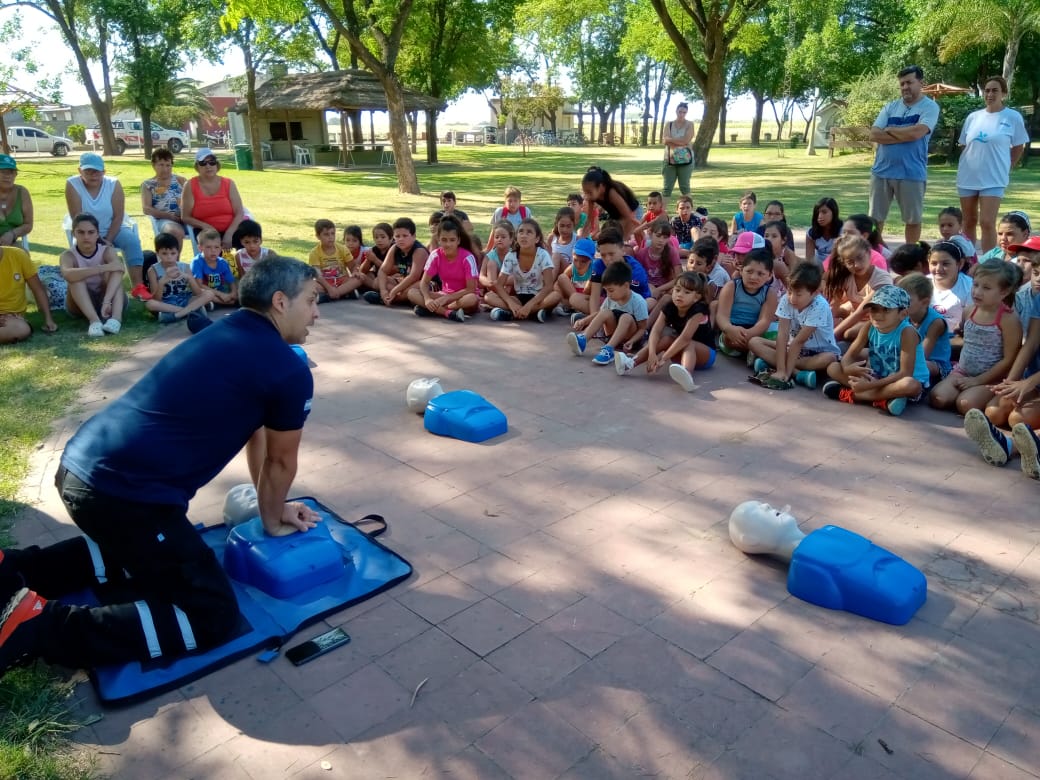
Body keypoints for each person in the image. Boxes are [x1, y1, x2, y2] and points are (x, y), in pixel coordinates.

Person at [0, 257, 322, 677]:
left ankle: (15, 569)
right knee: (212, 615)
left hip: (81, 470)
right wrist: (273, 519)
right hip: (124, 496)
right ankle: (39, 627)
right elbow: (281, 461)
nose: (317, 311)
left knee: (142, 547)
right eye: (312, 300)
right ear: (280, 301)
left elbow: (257, 434)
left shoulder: (224, 329)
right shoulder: (287, 370)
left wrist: (272, 510)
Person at [929, 259, 1022, 415]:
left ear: (1004, 292)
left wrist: (978, 381)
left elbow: (1009, 359)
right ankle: (963, 394)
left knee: (965, 404)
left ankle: (979, 396)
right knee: (938, 398)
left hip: (991, 378)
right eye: (976, 285)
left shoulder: (1008, 320)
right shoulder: (969, 311)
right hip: (963, 371)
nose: (977, 292)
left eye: (986, 288)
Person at [823, 285, 930, 416]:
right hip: (878, 377)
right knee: (833, 367)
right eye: (874, 309)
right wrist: (847, 368)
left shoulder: (907, 332)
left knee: (910, 385)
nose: (878, 315)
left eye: (886, 310)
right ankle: (882, 400)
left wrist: (867, 386)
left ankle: (853, 395)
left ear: (903, 314)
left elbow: (905, 373)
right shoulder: (869, 326)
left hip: (903, 379)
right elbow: (849, 356)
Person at [868, 65, 940, 244]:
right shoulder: (890, 107)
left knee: (912, 220)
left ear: (920, 83)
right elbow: (874, 134)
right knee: (874, 220)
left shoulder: (930, 107)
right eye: (902, 84)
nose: (905, 87)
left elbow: (918, 133)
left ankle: (911, 256)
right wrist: (904, 134)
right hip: (881, 172)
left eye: (909, 82)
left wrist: (890, 130)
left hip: (911, 173)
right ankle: (875, 254)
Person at [957, 76, 1029, 252]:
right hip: (968, 176)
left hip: (994, 177)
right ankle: (969, 259)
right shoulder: (973, 117)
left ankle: (989, 263)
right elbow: (964, 145)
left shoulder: (1012, 117)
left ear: (1003, 93)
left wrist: (1008, 164)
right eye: (987, 90)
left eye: (995, 90)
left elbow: (1019, 146)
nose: (990, 94)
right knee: (968, 221)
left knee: (987, 222)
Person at [614, 271, 713, 392]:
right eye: (677, 290)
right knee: (667, 338)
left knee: (689, 343)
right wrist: (652, 354)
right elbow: (655, 330)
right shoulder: (669, 306)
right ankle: (629, 364)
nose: (680, 295)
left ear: (696, 297)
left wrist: (663, 359)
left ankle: (687, 375)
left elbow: (685, 338)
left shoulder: (699, 310)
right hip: (679, 354)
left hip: (705, 355)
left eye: (687, 292)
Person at [748, 262, 839, 389]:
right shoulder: (786, 300)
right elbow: (782, 334)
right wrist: (781, 370)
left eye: (799, 294)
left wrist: (786, 374)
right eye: (790, 291)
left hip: (817, 352)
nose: (792, 298)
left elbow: (799, 341)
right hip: (791, 349)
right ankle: (798, 373)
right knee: (754, 342)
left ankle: (777, 366)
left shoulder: (820, 306)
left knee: (829, 359)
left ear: (815, 293)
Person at [65, 152, 146, 293]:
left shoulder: (113, 184)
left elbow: (118, 216)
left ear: (104, 171)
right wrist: (94, 237)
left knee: (132, 241)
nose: (93, 175)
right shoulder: (72, 184)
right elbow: (77, 218)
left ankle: (138, 286)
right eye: (88, 171)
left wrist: (108, 239)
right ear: (80, 171)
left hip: (113, 228)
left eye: (97, 171)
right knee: (83, 246)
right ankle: (89, 287)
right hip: (86, 230)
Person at [566, 260, 649, 367]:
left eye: (611, 290)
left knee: (626, 317)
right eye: (606, 291)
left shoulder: (638, 301)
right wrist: (584, 320)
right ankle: (583, 340)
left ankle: (609, 350)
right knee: (605, 312)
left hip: (630, 339)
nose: (608, 295)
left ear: (626, 286)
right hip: (613, 333)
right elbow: (599, 314)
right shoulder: (611, 299)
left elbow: (643, 328)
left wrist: (632, 341)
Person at [60, 213, 125, 337]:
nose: (86, 237)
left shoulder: (107, 250)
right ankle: (94, 321)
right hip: (79, 304)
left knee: (113, 274)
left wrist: (106, 301)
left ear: (97, 234)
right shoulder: (67, 255)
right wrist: (101, 268)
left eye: (91, 232)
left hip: (108, 299)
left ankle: (116, 318)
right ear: (74, 234)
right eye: (81, 232)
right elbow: (67, 274)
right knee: (76, 278)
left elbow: (119, 269)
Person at [824, 234, 893, 343]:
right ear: (844, 263)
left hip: (878, 320)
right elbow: (834, 307)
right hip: (856, 316)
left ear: (869, 254)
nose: (856, 265)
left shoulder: (882, 279)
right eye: (850, 262)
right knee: (827, 318)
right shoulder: (846, 276)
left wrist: (830, 337)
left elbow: (860, 312)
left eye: (860, 258)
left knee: (848, 333)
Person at [488, 218, 560, 322]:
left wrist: (530, 305)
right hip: (518, 299)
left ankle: (518, 313)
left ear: (537, 239)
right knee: (489, 297)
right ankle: (530, 313)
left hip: (538, 298)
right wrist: (511, 303)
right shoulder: (511, 256)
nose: (524, 235)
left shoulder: (543, 255)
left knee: (556, 295)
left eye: (529, 232)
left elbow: (549, 286)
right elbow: (499, 285)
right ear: (516, 237)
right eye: (521, 231)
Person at [181, 148, 250, 252]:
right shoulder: (190, 185)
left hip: (231, 229)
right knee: (213, 253)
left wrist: (229, 234)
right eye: (203, 163)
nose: (208, 166)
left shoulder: (229, 183)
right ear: (197, 167)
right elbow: (185, 217)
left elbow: (239, 212)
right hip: (206, 231)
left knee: (251, 236)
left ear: (217, 164)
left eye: (212, 162)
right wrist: (206, 226)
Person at [715, 247, 779, 357]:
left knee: (780, 332)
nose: (753, 277)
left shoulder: (770, 293)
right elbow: (722, 316)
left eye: (760, 274)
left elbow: (764, 322)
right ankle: (762, 355)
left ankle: (757, 354)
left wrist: (749, 334)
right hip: (732, 332)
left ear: (769, 275)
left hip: (756, 333)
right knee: (728, 339)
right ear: (741, 270)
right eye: (749, 271)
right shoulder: (731, 287)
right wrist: (729, 329)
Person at [413, 216, 479, 321]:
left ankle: (435, 310)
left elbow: (470, 289)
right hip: (443, 295)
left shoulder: (467, 257)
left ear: (458, 241)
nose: (448, 244)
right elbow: (424, 282)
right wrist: (427, 299)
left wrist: (447, 298)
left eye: (452, 240)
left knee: (471, 298)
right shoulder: (435, 255)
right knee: (412, 293)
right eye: (444, 240)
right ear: (438, 240)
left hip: (461, 298)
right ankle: (448, 313)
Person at [143, 232, 215, 327]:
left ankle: (176, 315)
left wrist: (189, 277)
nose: (169, 257)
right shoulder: (153, 270)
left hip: (184, 299)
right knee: (150, 304)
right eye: (164, 253)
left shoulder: (185, 267)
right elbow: (157, 299)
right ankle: (192, 311)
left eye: (173, 253)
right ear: (158, 253)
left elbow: (198, 293)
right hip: (167, 303)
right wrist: (162, 282)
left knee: (209, 293)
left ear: (178, 253)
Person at [898, 272, 952, 385]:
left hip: (934, 365)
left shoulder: (936, 322)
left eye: (906, 300)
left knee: (920, 365)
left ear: (925, 302)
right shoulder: (905, 316)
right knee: (868, 353)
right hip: (909, 358)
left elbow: (922, 355)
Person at [0, 245, 56, 343]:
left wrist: (48, 319)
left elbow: (37, 289)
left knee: (21, 329)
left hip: (12, 318)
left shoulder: (18, 255)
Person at [367, 217, 428, 306]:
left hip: (423, 283)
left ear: (414, 236)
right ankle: (395, 298)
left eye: (405, 236)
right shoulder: (395, 248)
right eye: (397, 236)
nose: (400, 239)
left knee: (415, 289)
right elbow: (383, 271)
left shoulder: (419, 251)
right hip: (403, 280)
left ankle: (391, 299)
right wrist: (383, 291)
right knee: (377, 282)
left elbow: (414, 276)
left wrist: (394, 291)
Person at [140, 148, 188, 245]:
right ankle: (174, 260)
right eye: (161, 165)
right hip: (165, 219)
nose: (165, 169)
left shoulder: (181, 180)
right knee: (174, 231)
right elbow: (146, 209)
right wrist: (170, 216)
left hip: (187, 218)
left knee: (210, 229)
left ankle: (210, 258)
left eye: (168, 165)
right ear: (153, 165)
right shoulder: (148, 185)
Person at [581, 166, 642, 241]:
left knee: (619, 238)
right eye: (585, 192)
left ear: (600, 186)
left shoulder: (611, 193)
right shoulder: (591, 195)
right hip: (617, 216)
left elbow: (628, 216)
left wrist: (624, 239)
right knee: (606, 236)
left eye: (589, 192)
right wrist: (581, 238)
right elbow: (589, 219)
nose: (587, 196)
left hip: (633, 212)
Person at [927, 241, 973, 335]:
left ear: (960, 264)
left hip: (957, 337)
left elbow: (971, 322)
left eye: (945, 264)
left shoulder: (970, 287)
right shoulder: (923, 284)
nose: (938, 269)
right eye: (934, 263)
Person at [308, 218, 360, 302]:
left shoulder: (342, 249)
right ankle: (344, 293)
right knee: (308, 284)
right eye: (326, 234)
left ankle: (329, 296)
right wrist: (329, 288)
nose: (330, 237)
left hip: (342, 280)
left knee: (360, 278)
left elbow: (352, 267)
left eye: (333, 234)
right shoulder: (314, 253)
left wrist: (355, 272)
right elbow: (317, 275)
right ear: (318, 236)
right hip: (325, 283)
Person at [192, 228, 238, 307]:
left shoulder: (223, 262)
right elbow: (199, 285)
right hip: (206, 291)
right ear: (200, 248)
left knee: (239, 287)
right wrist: (221, 295)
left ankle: (215, 304)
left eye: (216, 247)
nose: (213, 250)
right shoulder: (197, 262)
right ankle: (226, 303)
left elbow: (231, 281)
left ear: (220, 248)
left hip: (220, 289)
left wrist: (233, 293)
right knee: (202, 293)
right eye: (208, 247)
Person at [661, 102, 695, 197]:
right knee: (667, 188)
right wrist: (681, 143)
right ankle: (662, 211)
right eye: (680, 111)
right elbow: (665, 141)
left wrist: (671, 140)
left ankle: (689, 211)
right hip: (669, 159)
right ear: (676, 111)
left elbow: (686, 140)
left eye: (684, 112)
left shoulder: (689, 124)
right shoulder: (669, 124)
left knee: (685, 187)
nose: (681, 114)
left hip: (686, 159)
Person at [556, 236, 595, 317]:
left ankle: (578, 309)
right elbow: (560, 283)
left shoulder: (593, 269)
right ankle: (571, 306)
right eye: (575, 260)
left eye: (583, 262)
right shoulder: (572, 268)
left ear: (591, 260)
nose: (578, 264)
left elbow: (591, 291)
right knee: (561, 277)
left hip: (585, 297)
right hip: (572, 295)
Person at [0, 154, 33, 249]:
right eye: (3, 172)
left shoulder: (22, 192)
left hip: (11, 243)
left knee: (21, 258)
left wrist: (12, 234)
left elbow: (28, 224)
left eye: (11, 172)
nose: (7, 176)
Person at [806, 198, 841, 264]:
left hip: (837, 265)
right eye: (817, 213)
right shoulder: (811, 233)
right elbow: (809, 260)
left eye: (824, 212)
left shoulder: (843, 231)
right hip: (818, 266)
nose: (819, 216)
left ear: (834, 212)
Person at [549, 207, 578, 277]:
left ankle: (548, 284)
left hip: (569, 273)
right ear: (556, 224)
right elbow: (547, 260)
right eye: (562, 226)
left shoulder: (577, 239)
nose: (565, 230)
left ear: (574, 225)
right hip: (554, 272)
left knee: (556, 255)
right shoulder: (552, 238)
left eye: (568, 226)